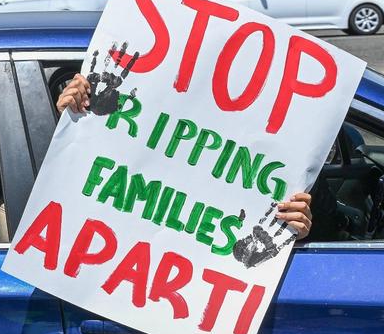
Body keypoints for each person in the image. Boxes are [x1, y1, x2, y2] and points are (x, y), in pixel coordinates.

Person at [55, 74, 314, 240]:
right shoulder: (103, 144)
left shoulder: (266, 165)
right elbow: (56, 183)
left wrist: (292, 230)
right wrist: (68, 119)